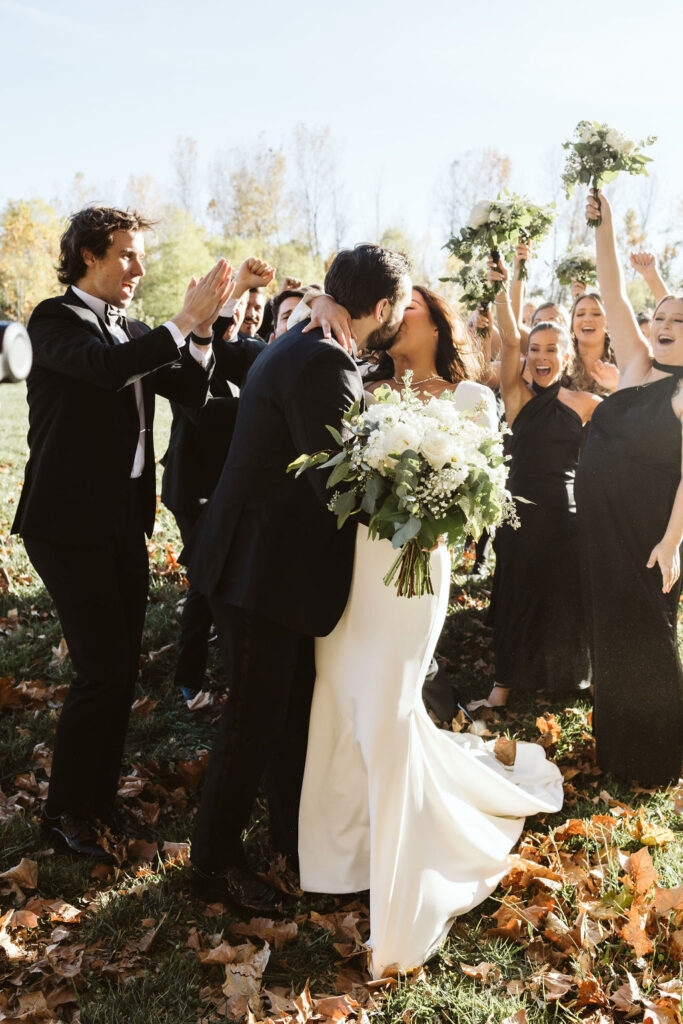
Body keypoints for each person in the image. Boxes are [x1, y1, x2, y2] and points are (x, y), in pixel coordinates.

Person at [297, 283, 564, 979]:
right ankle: (339, 856)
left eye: (406, 307)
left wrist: (432, 503)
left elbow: (480, 500)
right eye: (386, 307)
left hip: (416, 570)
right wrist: (321, 301)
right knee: (338, 692)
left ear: (435, 322)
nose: (392, 316)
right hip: (354, 569)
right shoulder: (361, 387)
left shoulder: (470, 397)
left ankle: (403, 881)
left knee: (387, 707)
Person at [188, 244, 413, 914]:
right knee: (252, 720)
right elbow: (336, 484)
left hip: (256, 560)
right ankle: (213, 865)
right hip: (261, 569)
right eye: (399, 308)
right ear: (382, 307)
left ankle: (291, 840)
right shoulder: (323, 360)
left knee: (282, 715)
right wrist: (414, 506)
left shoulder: (303, 342)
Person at [11, 206, 233, 861]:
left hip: (122, 522)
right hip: (64, 524)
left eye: (141, 256)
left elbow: (192, 391)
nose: (139, 267)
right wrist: (181, 321)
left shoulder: (132, 329)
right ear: (89, 255)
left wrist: (201, 333)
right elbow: (109, 369)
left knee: (120, 670)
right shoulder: (53, 320)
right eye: (127, 254)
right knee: (101, 670)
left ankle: (98, 802)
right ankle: (63, 815)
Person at [576, 190, 683, 787]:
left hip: (648, 537)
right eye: (659, 317)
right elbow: (613, 292)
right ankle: (617, 750)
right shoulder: (638, 365)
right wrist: (605, 226)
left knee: (646, 635)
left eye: (677, 321)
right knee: (610, 631)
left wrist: (671, 542)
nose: (663, 325)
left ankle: (660, 760)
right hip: (601, 529)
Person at [479, 264, 600, 711]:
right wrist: (506, 283)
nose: (541, 356)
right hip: (517, 514)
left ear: (566, 357)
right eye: (535, 349)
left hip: (565, 517)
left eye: (552, 349)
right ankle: (503, 685)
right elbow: (509, 336)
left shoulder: (586, 403)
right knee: (517, 594)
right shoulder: (516, 396)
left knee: (566, 596)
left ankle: (576, 680)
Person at [161, 258, 276, 704]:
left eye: (258, 308)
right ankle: (190, 677)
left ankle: (226, 667)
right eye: (242, 305)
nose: (249, 313)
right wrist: (239, 287)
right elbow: (202, 411)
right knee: (205, 581)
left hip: (236, 492)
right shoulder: (196, 352)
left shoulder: (258, 355)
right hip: (195, 488)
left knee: (220, 578)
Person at [567, 292, 619, 396]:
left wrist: (616, 386)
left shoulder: (623, 365)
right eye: (580, 314)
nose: (587, 319)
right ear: (572, 324)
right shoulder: (561, 366)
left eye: (596, 314)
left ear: (608, 323)